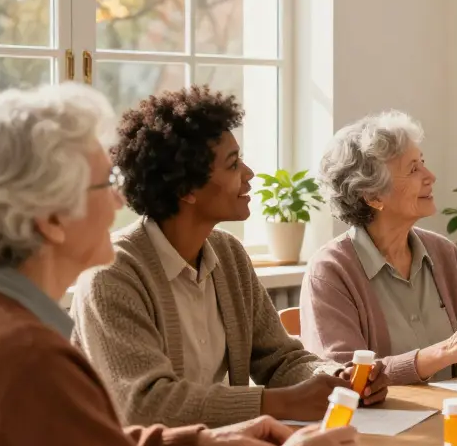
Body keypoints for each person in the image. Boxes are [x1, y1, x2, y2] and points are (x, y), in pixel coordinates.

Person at [0, 84, 356, 446]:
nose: (120, 201)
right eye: (103, 185)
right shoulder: (24, 358)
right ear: (50, 219)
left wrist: (195, 442)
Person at [71, 86, 366, 428]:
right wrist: (280, 402)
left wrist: (333, 377)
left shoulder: (229, 254)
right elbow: (146, 405)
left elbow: (280, 360)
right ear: (187, 189)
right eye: (232, 164)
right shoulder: (111, 274)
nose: (249, 174)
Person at [301, 111, 457, 387]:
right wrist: (444, 352)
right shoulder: (330, 270)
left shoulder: (444, 254)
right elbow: (348, 376)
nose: (431, 176)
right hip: (381, 426)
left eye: (423, 163)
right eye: (413, 169)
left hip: (455, 415)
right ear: (373, 195)